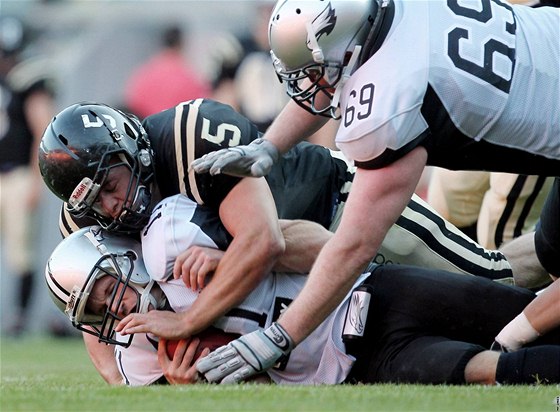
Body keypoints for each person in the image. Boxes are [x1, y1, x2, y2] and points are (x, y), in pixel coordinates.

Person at [189, 0, 560, 382]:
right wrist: (270, 145)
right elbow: (338, 73)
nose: (309, 82)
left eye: (316, 69)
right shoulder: (382, 14)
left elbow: (354, 245)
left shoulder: (390, 99)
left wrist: (282, 336)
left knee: (548, 254)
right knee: (550, 249)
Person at [44, 197, 560, 386]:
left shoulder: (174, 238)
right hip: (350, 364)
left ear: (125, 258)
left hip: (374, 290)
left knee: (525, 312)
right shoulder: (141, 356)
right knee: (489, 370)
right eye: (95, 308)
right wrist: (190, 390)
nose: (113, 306)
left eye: (107, 287)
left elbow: (328, 247)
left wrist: (239, 257)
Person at [0, 16, 56, 336]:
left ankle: (19, 317)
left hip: (19, 175)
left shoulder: (29, 79)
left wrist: (37, 179)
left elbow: (42, 128)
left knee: (21, 252)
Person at [123, 24, 210, 119]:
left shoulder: (144, 73)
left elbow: (131, 104)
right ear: (181, 44)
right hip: (173, 131)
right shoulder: (189, 78)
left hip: (146, 128)